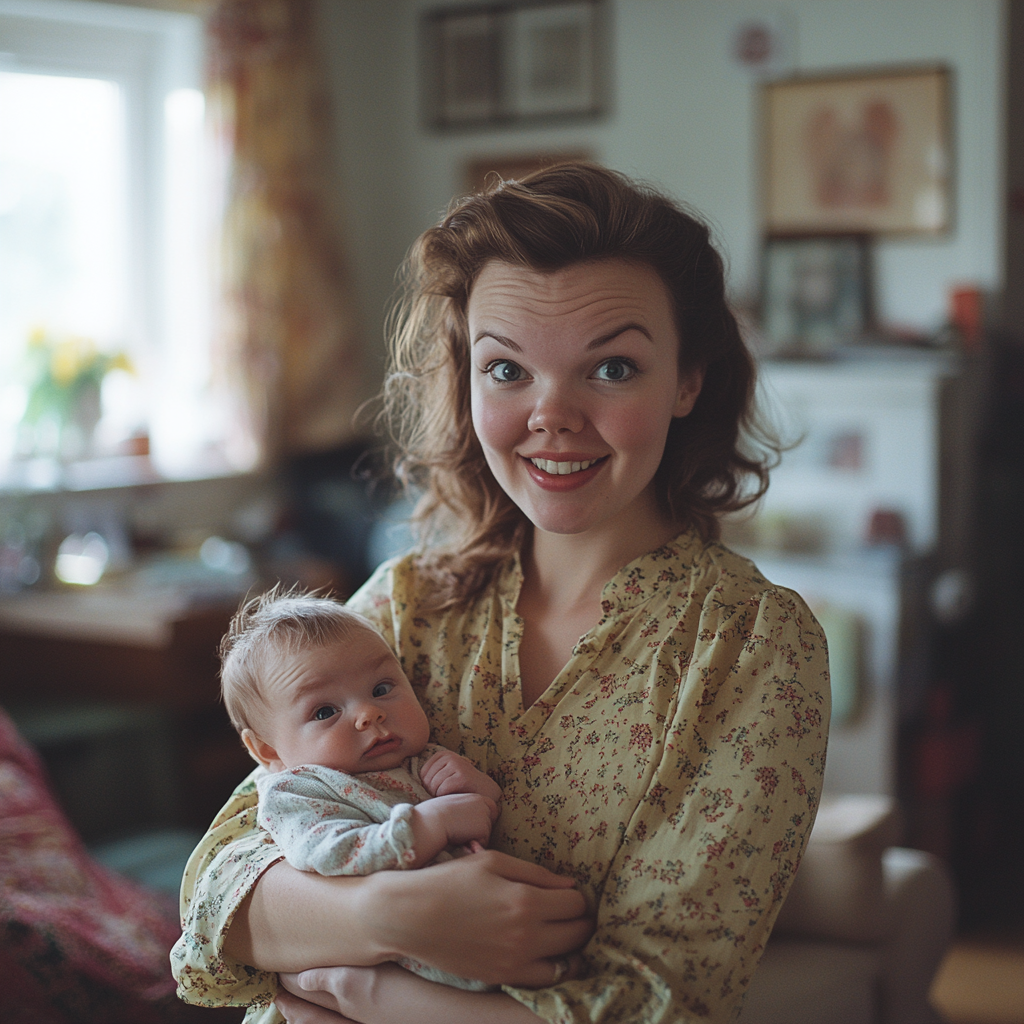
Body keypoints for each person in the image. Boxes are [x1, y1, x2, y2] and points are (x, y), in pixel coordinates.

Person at [172, 163, 831, 1024]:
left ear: (688, 381)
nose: (550, 416)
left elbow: (663, 1005)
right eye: (508, 370)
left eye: (614, 368)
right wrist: (387, 915)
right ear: (467, 379)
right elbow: (216, 894)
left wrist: (362, 985)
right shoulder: (407, 601)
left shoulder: (752, 648)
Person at [218, 586, 504, 1014]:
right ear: (268, 752)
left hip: (471, 944)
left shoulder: (420, 760)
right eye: (324, 712)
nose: (368, 714)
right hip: (385, 972)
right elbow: (331, 853)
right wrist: (432, 824)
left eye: (383, 687)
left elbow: (486, 822)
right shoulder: (296, 792)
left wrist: (480, 790)